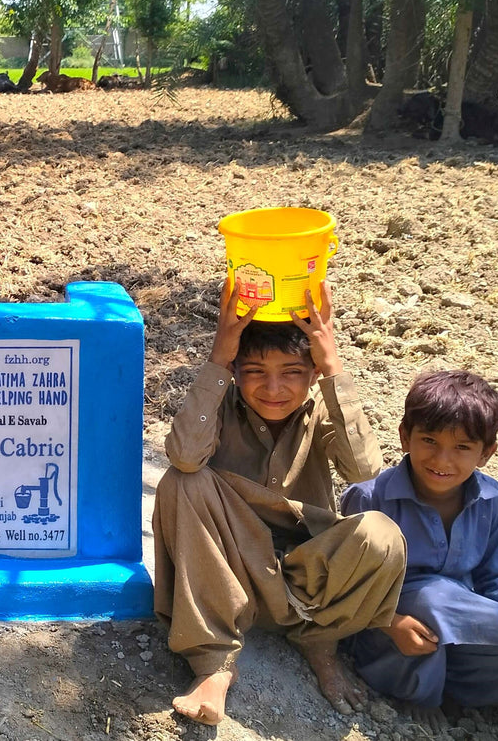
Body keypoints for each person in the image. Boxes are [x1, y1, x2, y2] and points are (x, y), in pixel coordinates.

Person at [152, 279, 406, 726]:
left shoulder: (320, 409)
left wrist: (332, 366)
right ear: (235, 371)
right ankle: (213, 663)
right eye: (254, 372)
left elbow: (365, 470)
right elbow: (185, 455)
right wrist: (217, 359)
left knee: (381, 536)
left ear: (310, 373)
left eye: (292, 371)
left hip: (305, 576)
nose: (273, 388)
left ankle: (319, 642)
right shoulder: (221, 404)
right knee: (182, 481)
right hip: (230, 569)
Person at [341, 370, 498, 730]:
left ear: (486, 453)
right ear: (404, 436)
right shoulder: (369, 497)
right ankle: (419, 693)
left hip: (457, 620)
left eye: (461, 448)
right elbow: (341, 587)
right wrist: (388, 622)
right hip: (385, 630)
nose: (442, 460)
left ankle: (460, 693)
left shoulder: (491, 499)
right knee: (431, 598)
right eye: (429, 440)